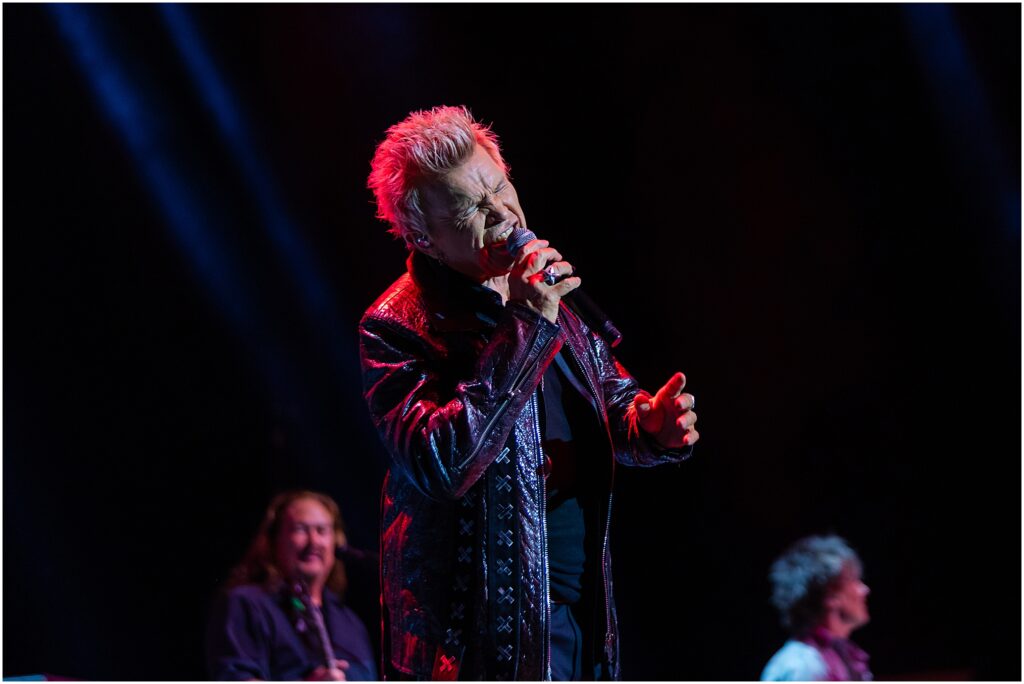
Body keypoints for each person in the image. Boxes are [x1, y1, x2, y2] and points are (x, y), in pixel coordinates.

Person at [359, 105, 700, 680]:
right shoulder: (396, 325)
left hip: (576, 605)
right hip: (476, 637)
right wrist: (524, 325)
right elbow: (442, 462)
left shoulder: (541, 290)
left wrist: (651, 427)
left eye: (499, 188)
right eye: (471, 206)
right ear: (424, 235)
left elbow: (612, 402)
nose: (500, 213)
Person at [206, 490, 378, 681]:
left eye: (322, 530)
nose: (314, 542)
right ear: (274, 540)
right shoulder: (246, 603)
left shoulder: (350, 621)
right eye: (300, 529)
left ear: (335, 543)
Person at [761, 535, 872, 681]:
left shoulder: (840, 657)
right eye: (854, 581)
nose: (864, 590)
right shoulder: (803, 667)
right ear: (831, 596)